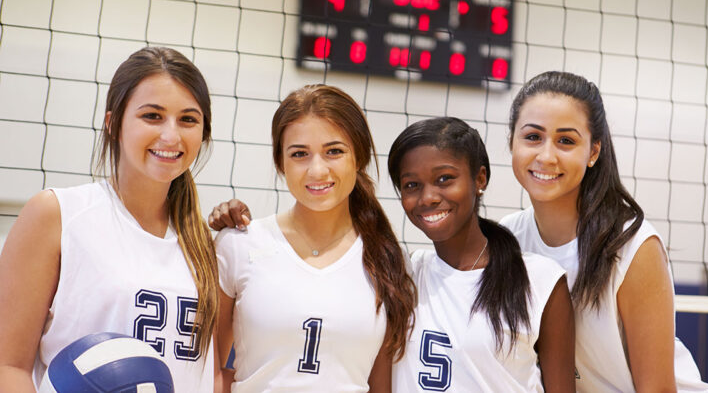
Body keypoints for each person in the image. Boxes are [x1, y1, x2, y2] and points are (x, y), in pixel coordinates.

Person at [0, 47, 219, 392]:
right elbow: (8, 365)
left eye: (188, 119)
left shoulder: (205, 243)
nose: (171, 136)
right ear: (113, 123)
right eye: (152, 116)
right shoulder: (57, 214)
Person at [500, 71, 708, 392]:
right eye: (532, 137)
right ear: (512, 143)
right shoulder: (507, 239)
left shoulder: (632, 246)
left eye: (566, 141)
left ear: (593, 152)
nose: (546, 155)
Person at [212, 84, 416, 392]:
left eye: (334, 151)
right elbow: (213, 370)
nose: (317, 170)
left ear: (357, 157)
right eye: (299, 154)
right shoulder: (239, 244)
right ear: (281, 163)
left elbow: (381, 385)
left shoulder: (387, 259)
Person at [386, 117, 575, 392]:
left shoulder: (540, 280)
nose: (428, 197)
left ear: (479, 179)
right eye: (412, 185)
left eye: (444, 179)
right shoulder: (404, 276)